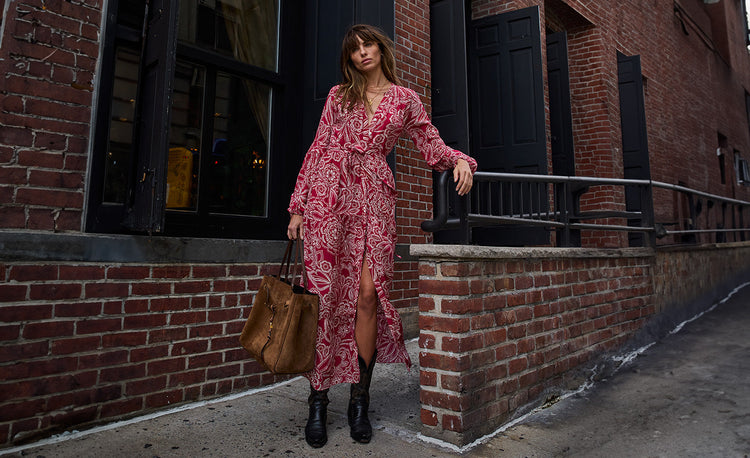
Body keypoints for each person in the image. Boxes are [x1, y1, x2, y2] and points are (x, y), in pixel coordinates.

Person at [287, 24, 477, 448]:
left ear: (380, 48)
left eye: (367, 44)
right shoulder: (339, 96)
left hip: (374, 197)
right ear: (349, 58)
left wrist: (462, 159)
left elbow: (431, 145)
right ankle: (318, 399)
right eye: (353, 49)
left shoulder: (405, 99)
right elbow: (317, 147)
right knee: (326, 294)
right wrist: (298, 206)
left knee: (369, 295)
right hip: (329, 194)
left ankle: (359, 399)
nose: (361, 53)